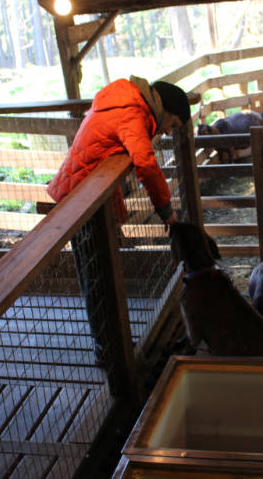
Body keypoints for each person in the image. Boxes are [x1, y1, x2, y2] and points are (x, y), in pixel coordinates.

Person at [46, 76, 192, 370]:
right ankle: (107, 351)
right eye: (172, 125)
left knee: (98, 272)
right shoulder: (133, 113)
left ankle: (110, 346)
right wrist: (167, 212)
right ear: (163, 108)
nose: (165, 131)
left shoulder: (126, 100)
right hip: (81, 199)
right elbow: (146, 164)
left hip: (86, 193)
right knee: (95, 275)